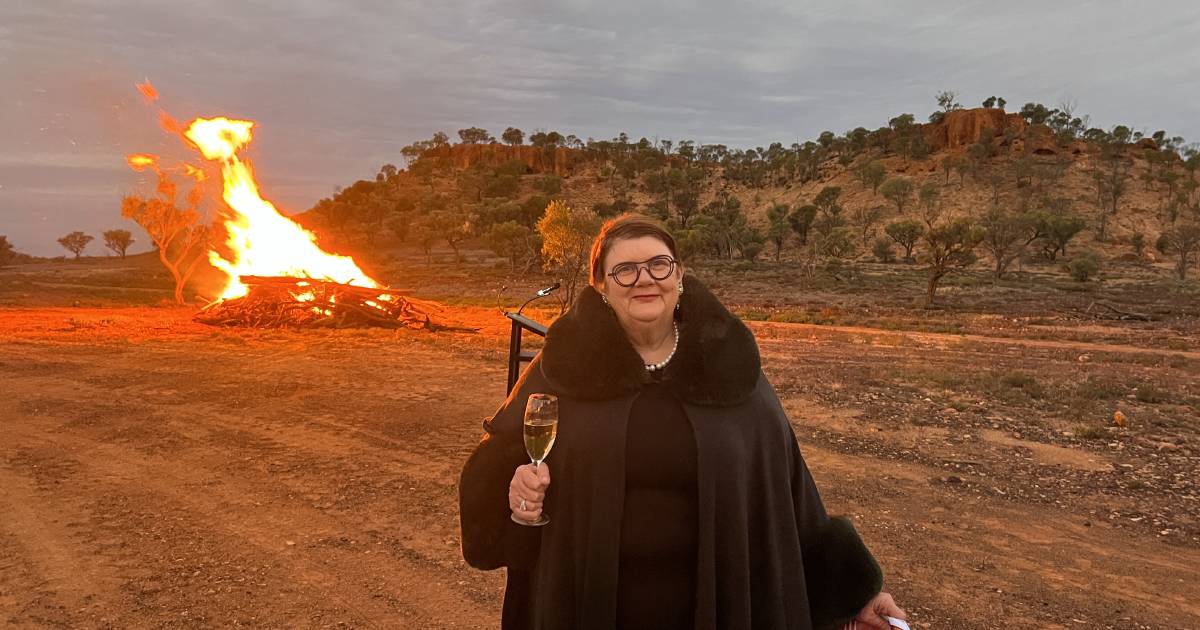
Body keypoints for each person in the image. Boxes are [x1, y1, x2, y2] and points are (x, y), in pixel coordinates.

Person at [460, 214, 906, 630]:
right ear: (600, 285)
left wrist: (855, 594)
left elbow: (789, 491)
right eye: (626, 270)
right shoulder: (564, 366)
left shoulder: (728, 364)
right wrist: (518, 499)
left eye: (659, 264)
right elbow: (498, 474)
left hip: (718, 605)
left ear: (679, 275)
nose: (645, 279)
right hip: (586, 604)